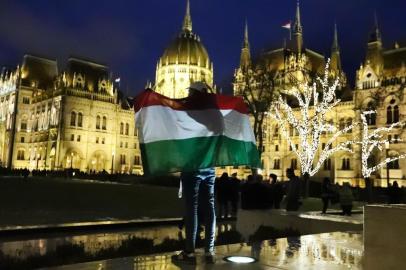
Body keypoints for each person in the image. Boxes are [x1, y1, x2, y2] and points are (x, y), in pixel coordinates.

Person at [172, 82, 216, 265]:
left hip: (192, 165)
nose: (188, 95)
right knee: (210, 207)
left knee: (192, 208)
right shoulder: (214, 113)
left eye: (190, 92)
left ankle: (189, 251)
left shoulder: (190, 111)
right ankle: (209, 251)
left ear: (194, 94)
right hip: (210, 166)